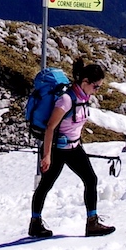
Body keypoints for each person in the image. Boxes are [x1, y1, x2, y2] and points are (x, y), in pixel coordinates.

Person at [30, 60, 115, 238]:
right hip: (57, 150)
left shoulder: (83, 97)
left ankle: (92, 223)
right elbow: (50, 127)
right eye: (96, 86)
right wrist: (46, 156)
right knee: (46, 185)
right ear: (85, 82)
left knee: (90, 179)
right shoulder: (66, 100)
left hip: (74, 147)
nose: (96, 90)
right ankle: (35, 223)